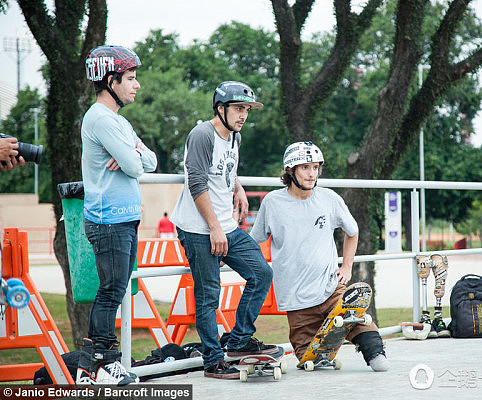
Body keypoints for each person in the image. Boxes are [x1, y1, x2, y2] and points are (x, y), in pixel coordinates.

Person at [250, 142, 390, 372]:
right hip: (296, 301)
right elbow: (255, 240)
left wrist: (346, 267)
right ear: (290, 170)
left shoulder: (329, 199)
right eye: (305, 167)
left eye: (315, 167)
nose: (312, 173)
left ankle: (373, 349)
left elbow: (352, 232)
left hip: (329, 287)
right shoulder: (273, 202)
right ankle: (322, 349)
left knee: (361, 328)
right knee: (307, 360)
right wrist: (227, 255)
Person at [170, 81, 276, 380]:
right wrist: (214, 228)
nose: (244, 115)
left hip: (224, 225)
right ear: (221, 108)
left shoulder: (234, 138)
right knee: (208, 295)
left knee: (262, 273)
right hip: (198, 228)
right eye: (238, 109)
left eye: (247, 110)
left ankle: (239, 341)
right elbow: (196, 183)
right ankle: (213, 361)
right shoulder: (202, 134)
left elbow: (225, 170)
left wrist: (238, 188)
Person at [77, 45, 157, 385]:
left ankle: (89, 368)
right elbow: (134, 167)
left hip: (123, 219)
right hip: (108, 220)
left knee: (116, 289)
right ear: (111, 80)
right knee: (111, 291)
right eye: (131, 78)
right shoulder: (100, 118)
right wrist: (131, 157)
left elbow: (149, 162)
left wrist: (132, 152)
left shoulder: (119, 122)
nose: (137, 85)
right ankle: (101, 364)